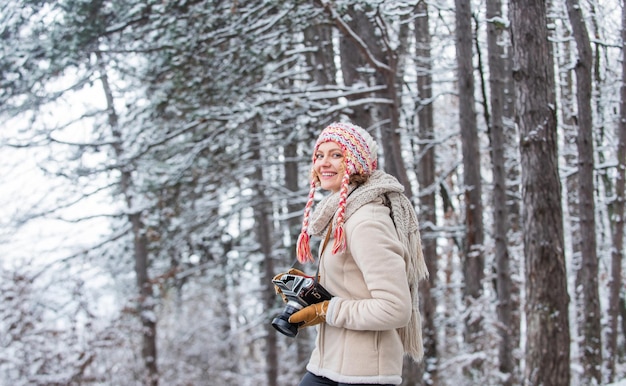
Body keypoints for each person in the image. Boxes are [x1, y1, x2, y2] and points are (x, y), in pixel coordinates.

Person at [285, 122, 429, 386]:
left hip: (364, 374)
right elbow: (353, 287)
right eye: (320, 155)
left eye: (336, 155)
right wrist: (310, 292)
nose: (323, 163)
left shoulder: (366, 221)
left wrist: (326, 310)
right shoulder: (344, 213)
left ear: (357, 163)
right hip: (328, 365)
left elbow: (396, 309)